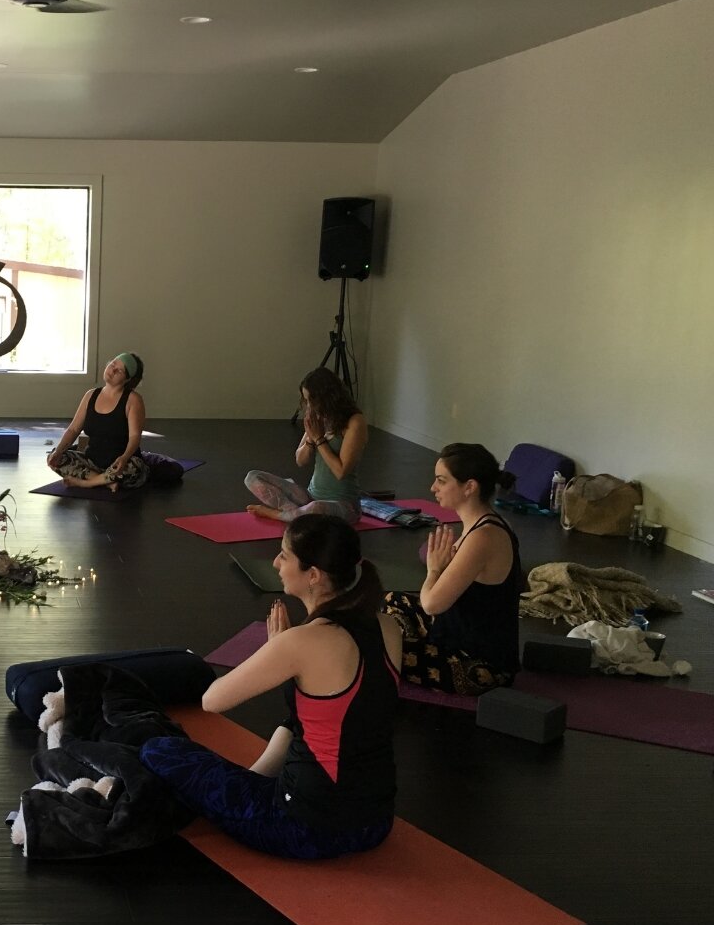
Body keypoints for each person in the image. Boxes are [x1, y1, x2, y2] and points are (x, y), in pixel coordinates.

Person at [142, 513, 402, 859]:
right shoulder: (388, 626)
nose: (276, 562)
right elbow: (335, 716)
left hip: (303, 828)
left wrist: (275, 651)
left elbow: (211, 701)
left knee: (159, 749)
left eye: (284, 554)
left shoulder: (302, 641)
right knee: (313, 718)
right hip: (375, 822)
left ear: (313, 575)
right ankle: (253, 779)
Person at [382, 443, 522, 695]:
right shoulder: (483, 522)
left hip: (479, 665)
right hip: (464, 631)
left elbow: (432, 605)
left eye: (441, 481)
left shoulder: (484, 536)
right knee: (393, 600)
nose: (433, 488)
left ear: (469, 487)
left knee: (373, 646)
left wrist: (434, 570)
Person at [245, 367, 367, 523]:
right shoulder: (319, 419)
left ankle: (278, 514)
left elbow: (341, 472)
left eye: (312, 400)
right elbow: (300, 460)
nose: (309, 405)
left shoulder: (355, 422)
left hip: (345, 506)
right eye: (306, 400)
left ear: (328, 397)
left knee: (316, 508)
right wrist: (310, 438)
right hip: (311, 496)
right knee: (253, 477)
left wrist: (319, 439)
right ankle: (294, 513)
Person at [47, 352, 149, 491]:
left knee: (134, 467)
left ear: (127, 379)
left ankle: (88, 483)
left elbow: (135, 436)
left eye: (118, 370)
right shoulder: (91, 395)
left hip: (121, 464)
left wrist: (124, 457)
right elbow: (73, 429)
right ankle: (104, 481)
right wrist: (58, 451)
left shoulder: (133, 400)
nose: (112, 370)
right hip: (92, 462)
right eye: (113, 364)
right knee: (56, 457)